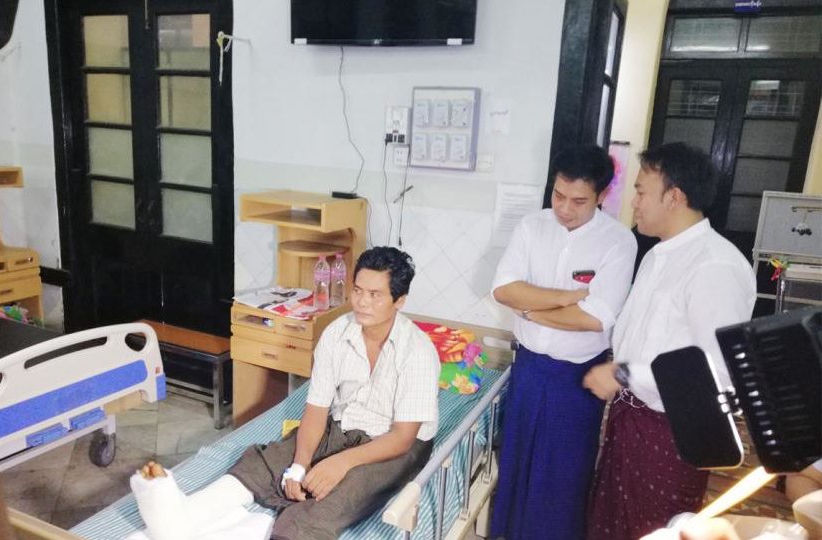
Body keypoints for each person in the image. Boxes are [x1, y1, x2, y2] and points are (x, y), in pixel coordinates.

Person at [130, 247, 440, 540]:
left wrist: (341, 463)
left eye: (375, 295)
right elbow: (317, 409)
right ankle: (179, 520)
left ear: (399, 300)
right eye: (358, 290)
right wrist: (299, 466)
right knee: (266, 462)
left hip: (394, 444)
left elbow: (402, 437)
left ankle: (252, 528)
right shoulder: (337, 333)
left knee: (334, 500)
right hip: (343, 425)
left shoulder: (418, 351)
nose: (362, 302)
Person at [583, 142, 757, 540]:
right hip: (631, 419)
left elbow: (715, 371)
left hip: (673, 431)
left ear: (674, 196)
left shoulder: (715, 266)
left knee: (656, 529)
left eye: (642, 191)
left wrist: (625, 373)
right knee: (611, 523)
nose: (635, 203)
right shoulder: (658, 254)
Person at [489, 145, 638, 539]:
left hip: (577, 379)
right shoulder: (532, 226)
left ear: (602, 196)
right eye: (558, 195)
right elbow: (504, 290)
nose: (564, 208)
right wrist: (562, 296)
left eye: (578, 200)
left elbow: (593, 319)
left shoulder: (618, 241)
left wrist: (532, 308)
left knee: (562, 476)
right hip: (528, 368)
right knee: (517, 463)